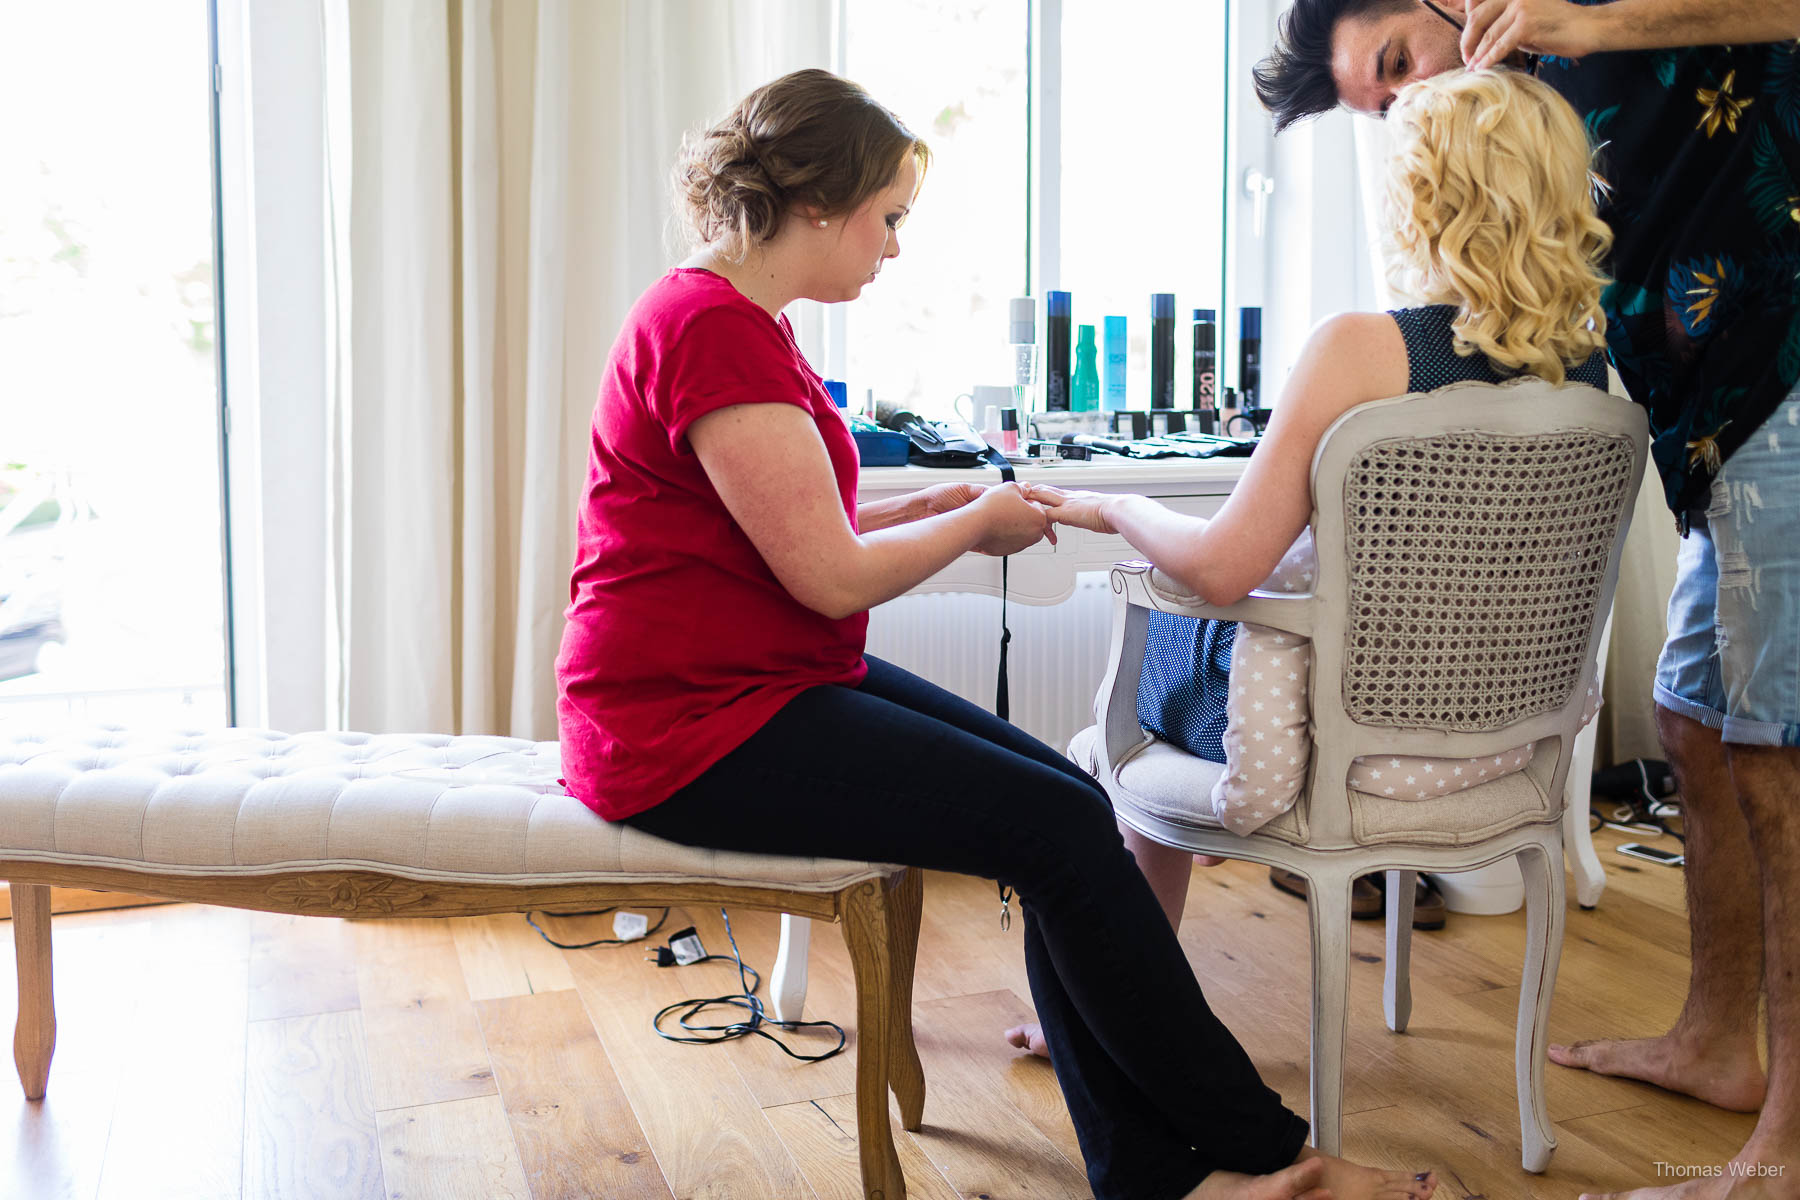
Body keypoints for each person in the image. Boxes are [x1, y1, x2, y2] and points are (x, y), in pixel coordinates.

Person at [555, 67, 1437, 1200]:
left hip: (750, 684)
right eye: (889, 218)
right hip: (688, 727)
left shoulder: (733, 320)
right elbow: (825, 574)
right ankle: (1268, 1161)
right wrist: (973, 520)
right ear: (820, 204)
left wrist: (927, 505)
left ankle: (1161, 1172)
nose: (894, 249)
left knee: (1076, 817)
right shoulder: (714, 331)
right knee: (1064, 831)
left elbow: (777, 519)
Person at [1255, 5, 1800, 1198]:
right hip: (1697, 398)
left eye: (1398, 63)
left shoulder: (1566, 17)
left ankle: (1785, 1156)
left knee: (1778, 755)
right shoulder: (1525, 88)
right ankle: (1716, 1042)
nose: (1417, 98)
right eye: (1387, 103)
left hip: (1784, 347)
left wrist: (1600, 18)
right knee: (1697, 726)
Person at [1005, 63, 1612, 1063]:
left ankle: (1112, 1017)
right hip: (1495, 740)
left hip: (1332, 732)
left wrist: (1117, 505)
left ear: (1425, 196)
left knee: (1151, 663)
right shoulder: (1588, 371)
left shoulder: (1364, 350)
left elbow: (1222, 569)